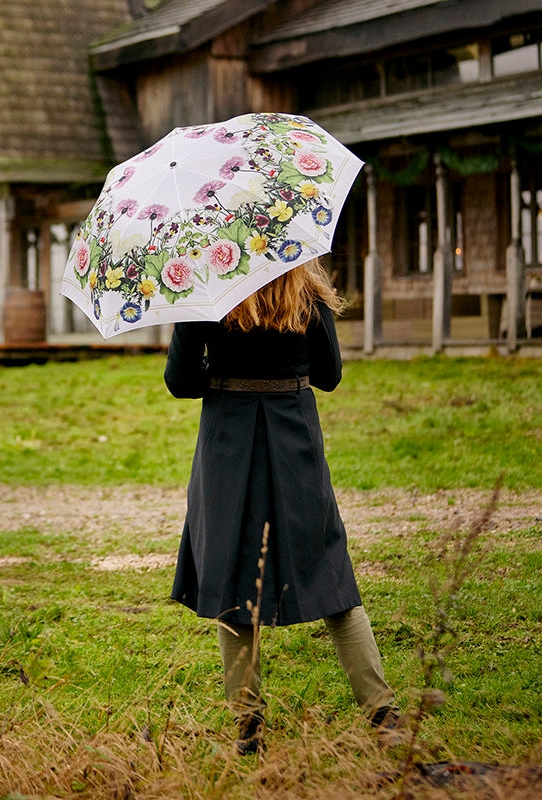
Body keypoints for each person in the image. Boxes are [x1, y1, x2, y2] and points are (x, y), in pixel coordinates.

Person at [163, 258, 400, 754]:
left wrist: (217, 366)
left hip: (228, 445)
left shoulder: (205, 289)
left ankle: (248, 728)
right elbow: (329, 375)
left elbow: (181, 381)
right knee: (331, 573)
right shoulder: (308, 288)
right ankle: (384, 715)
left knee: (232, 578)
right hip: (295, 439)